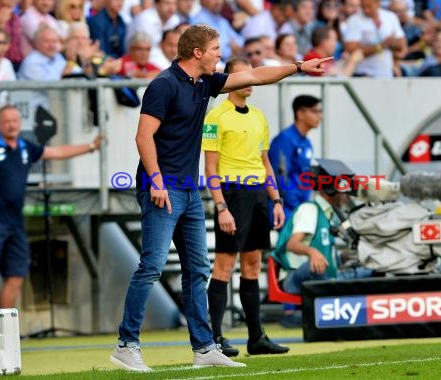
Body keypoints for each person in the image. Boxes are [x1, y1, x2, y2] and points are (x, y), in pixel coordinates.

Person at [109, 24, 331, 372]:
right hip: (162, 189)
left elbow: (256, 75)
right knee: (151, 266)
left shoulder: (205, 83)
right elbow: (143, 137)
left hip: (189, 191)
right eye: (215, 49)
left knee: (198, 268)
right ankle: (127, 344)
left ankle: (204, 347)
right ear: (197, 52)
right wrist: (155, 181)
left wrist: (300, 67)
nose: (220, 55)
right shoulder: (163, 85)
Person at [0, 105, 102, 309]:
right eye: (7, 121)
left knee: (16, 275)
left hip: (16, 221)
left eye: (15, 121)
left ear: (20, 123)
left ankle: (4, 330)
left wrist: (90, 146)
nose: (11, 125)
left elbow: (56, 151)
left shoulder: (25, 147)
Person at [202, 57, 289, 358]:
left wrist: (276, 200)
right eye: (244, 74)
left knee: (253, 266)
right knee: (224, 266)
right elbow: (210, 168)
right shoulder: (215, 117)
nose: (250, 80)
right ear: (230, 78)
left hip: (258, 197)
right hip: (232, 194)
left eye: (253, 75)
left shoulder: (259, 117)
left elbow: (265, 163)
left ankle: (257, 338)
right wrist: (221, 206)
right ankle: (213, 339)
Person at [272, 159, 373, 295]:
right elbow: (292, 244)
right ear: (331, 190)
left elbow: (325, 259)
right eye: (344, 192)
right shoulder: (309, 209)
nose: (346, 198)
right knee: (314, 268)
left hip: (327, 277)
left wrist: (345, 256)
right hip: (295, 277)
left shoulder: (329, 215)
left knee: (374, 271)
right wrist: (312, 252)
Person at [269, 95, 321, 221]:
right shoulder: (285, 140)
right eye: (314, 111)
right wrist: (296, 207)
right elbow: (280, 177)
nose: (320, 116)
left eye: (320, 111)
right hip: (286, 209)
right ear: (300, 114)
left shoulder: (307, 142)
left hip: (301, 206)